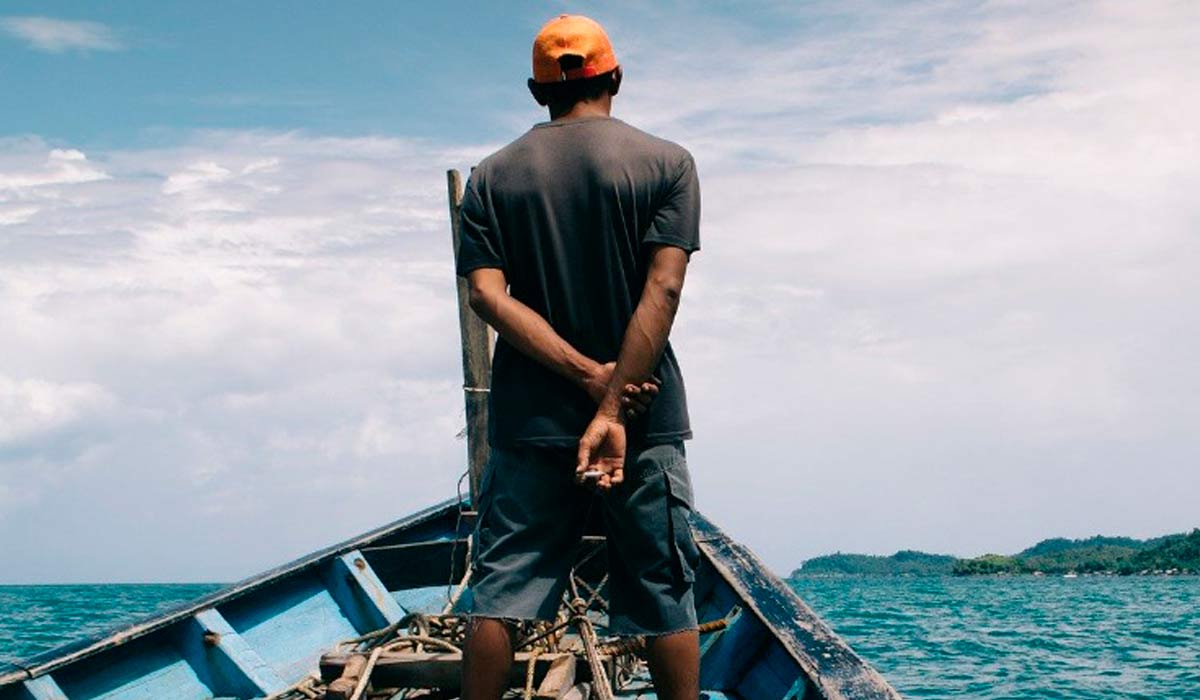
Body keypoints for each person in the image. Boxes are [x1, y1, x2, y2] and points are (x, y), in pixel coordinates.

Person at [455, 14, 702, 700]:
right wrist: (616, 396)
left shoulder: (491, 178)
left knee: (500, 593)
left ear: (537, 93)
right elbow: (666, 285)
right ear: (616, 77)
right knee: (663, 589)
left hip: (531, 418)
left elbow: (486, 297)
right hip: (644, 416)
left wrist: (589, 379)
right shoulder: (667, 163)